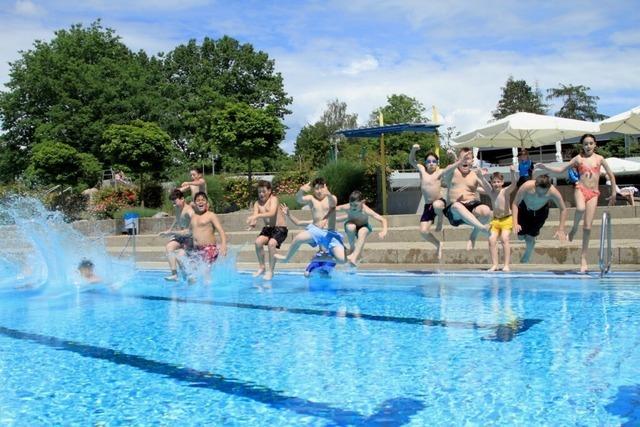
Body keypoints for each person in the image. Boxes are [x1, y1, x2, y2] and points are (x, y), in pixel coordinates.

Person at [536, 134, 616, 272]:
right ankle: (573, 230)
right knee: (580, 208)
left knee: (588, 227)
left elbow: (611, 175)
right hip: (580, 189)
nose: (588, 146)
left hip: (593, 193)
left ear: (595, 144)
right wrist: (545, 167)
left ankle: (583, 258)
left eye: (591, 143)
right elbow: (561, 169)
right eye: (585, 144)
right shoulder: (578, 159)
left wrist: (614, 192)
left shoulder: (600, 159)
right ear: (582, 146)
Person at [409, 145, 472, 259]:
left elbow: (454, 166)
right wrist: (413, 150)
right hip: (428, 206)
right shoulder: (422, 170)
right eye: (429, 161)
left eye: (434, 161)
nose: (431, 163)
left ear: (437, 163)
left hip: (439, 202)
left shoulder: (439, 172)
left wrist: (457, 157)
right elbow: (411, 160)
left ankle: (440, 220)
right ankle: (438, 244)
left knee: (436, 205)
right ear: (425, 163)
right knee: (423, 231)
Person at [274, 178, 347, 264]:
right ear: (313, 190)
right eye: (316, 188)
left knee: (342, 260)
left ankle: (323, 258)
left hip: (330, 233)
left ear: (326, 187)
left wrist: (329, 194)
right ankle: (286, 258)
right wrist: (301, 190)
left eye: (321, 188)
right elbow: (299, 199)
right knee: (298, 238)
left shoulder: (331, 197)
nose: (319, 191)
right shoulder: (312, 199)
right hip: (316, 231)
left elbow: (333, 204)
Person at [440, 147, 492, 250]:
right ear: (458, 160)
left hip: (471, 207)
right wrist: (458, 160)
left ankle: (473, 235)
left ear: (472, 161)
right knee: (457, 206)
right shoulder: (453, 172)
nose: (465, 160)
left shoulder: (475, 175)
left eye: (467, 158)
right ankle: (482, 228)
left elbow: (490, 191)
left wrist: (482, 178)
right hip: (455, 212)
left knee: (486, 210)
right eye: (462, 158)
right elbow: (445, 171)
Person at [511, 174, 568, 264]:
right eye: (538, 192)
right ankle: (529, 240)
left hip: (540, 213)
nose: (540, 195)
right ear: (535, 185)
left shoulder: (553, 191)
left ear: (548, 188)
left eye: (544, 193)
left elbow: (563, 209)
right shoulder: (526, 186)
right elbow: (515, 203)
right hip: (525, 210)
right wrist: (515, 223)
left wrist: (561, 229)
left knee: (530, 238)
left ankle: (527, 254)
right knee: (520, 237)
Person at [174, 192, 227, 282]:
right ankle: (188, 278)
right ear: (194, 204)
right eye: (198, 200)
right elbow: (188, 231)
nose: (200, 202)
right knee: (180, 255)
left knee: (205, 272)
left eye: (203, 200)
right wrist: (172, 233)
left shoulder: (211, 215)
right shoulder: (194, 217)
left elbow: (221, 231)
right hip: (196, 250)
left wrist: (224, 245)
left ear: (206, 203)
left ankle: (207, 293)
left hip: (209, 249)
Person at [477, 166, 518, 272]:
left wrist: (513, 173)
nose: (496, 184)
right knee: (491, 239)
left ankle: (506, 265)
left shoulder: (505, 191)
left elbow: (514, 184)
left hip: (507, 219)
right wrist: (481, 175)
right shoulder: (491, 192)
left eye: (498, 182)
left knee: (504, 238)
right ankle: (495, 264)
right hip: (495, 221)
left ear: (502, 182)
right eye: (494, 182)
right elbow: (484, 184)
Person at [332, 190, 388, 266]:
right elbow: (332, 209)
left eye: (355, 205)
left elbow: (383, 219)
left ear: (362, 202)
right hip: (351, 224)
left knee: (363, 231)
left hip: (364, 226)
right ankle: (352, 248)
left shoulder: (366, 210)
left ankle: (354, 258)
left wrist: (384, 231)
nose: (353, 207)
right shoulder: (347, 207)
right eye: (351, 205)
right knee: (350, 227)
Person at [247, 180, 288, 281]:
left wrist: (256, 215)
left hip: (280, 228)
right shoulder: (257, 203)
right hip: (268, 229)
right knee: (258, 243)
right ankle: (262, 267)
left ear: (269, 191)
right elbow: (255, 216)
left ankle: (271, 271)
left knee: (271, 244)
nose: (261, 194)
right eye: (259, 192)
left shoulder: (274, 199)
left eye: (263, 191)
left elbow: (272, 213)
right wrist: (252, 223)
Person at [160, 189, 195, 281]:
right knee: (169, 247)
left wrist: (172, 232)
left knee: (180, 256)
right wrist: (170, 229)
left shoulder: (189, 210)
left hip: (189, 237)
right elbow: (177, 218)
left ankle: (189, 276)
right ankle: (174, 275)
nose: (174, 205)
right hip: (180, 236)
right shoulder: (177, 208)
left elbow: (194, 220)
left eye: (175, 202)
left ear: (182, 199)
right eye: (172, 203)